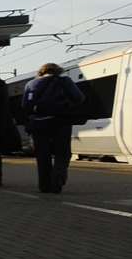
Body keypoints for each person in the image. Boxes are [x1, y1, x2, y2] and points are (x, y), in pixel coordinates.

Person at [21, 61, 85, 193]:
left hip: (38, 124)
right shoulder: (64, 81)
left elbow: (25, 106)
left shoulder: (30, 84)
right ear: (58, 71)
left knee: (43, 155)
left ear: (41, 72)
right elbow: (79, 98)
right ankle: (57, 182)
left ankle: (44, 186)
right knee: (62, 153)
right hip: (60, 122)